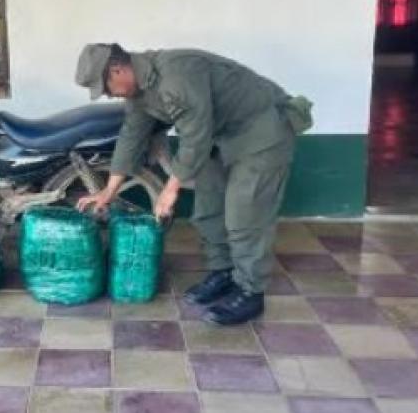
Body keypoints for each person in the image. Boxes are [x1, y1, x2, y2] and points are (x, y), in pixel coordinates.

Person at [75, 43, 312, 325]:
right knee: (208, 209)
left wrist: (170, 190)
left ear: (117, 69)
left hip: (259, 131)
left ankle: (250, 291)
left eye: (106, 88)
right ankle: (223, 272)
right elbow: (132, 135)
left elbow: (195, 137)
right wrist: (108, 191)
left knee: (245, 215)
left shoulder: (176, 74)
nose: (108, 95)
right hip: (219, 138)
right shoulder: (139, 91)